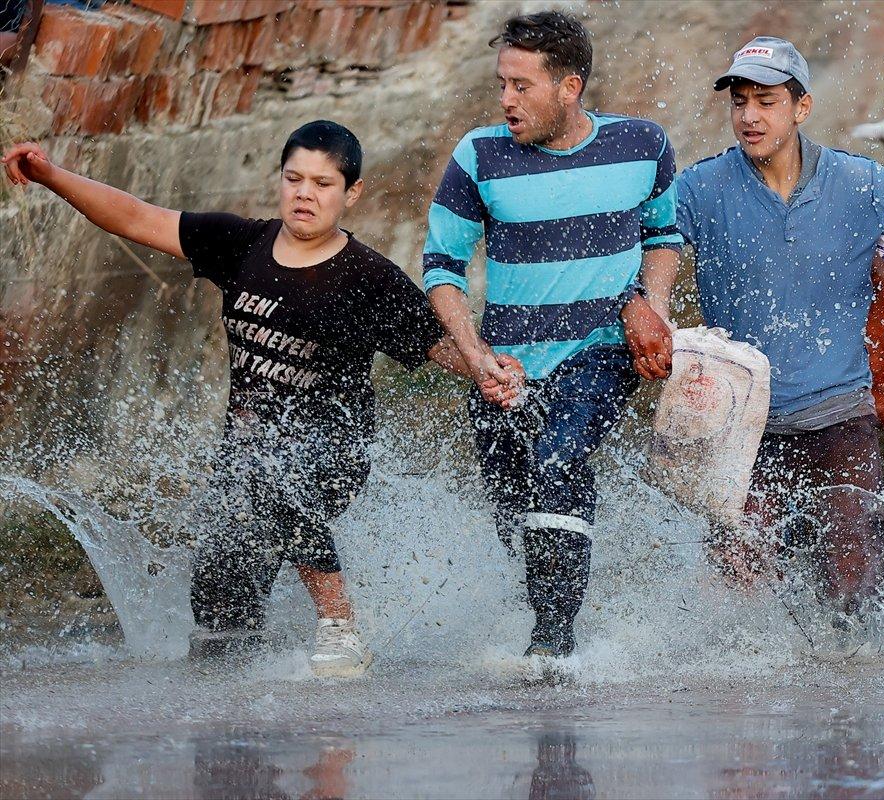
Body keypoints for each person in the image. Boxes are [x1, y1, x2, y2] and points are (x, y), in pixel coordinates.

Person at [3, 120, 521, 676]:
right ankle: (240, 695)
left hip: (335, 448)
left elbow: (439, 344)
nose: (305, 194)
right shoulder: (241, 244)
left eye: (322, 184)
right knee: (219, 603)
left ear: (351, 194)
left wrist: (489, 370)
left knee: (275, 473)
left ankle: (340, 625)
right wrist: (51, 176)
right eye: (294, 179)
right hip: (247, 450)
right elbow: (135, 217)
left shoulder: (368, 278)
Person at [675, 38, 884, 615]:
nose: (749, 116)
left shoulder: (856, 182)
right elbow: (651, 239)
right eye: (739, 102)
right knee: (738, 585)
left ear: (802, 107)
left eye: (766, 101)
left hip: (838, 413)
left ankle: (860, 661)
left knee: (852, 584)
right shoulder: (702, 189)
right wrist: (646, 308)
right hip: (741, 420)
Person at [423, 10, 681, 658]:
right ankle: (552, 614)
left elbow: (662, 236)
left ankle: (553, 646)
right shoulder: (478, 155)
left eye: (522, 86)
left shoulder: (642, 145)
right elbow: (442, 268)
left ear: (569, 87)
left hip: (600, 350)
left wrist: (651, 306)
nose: (506, 100)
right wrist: (476, 357)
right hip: (507, 366)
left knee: (559, 461)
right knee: (515, 514)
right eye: (502, 84)